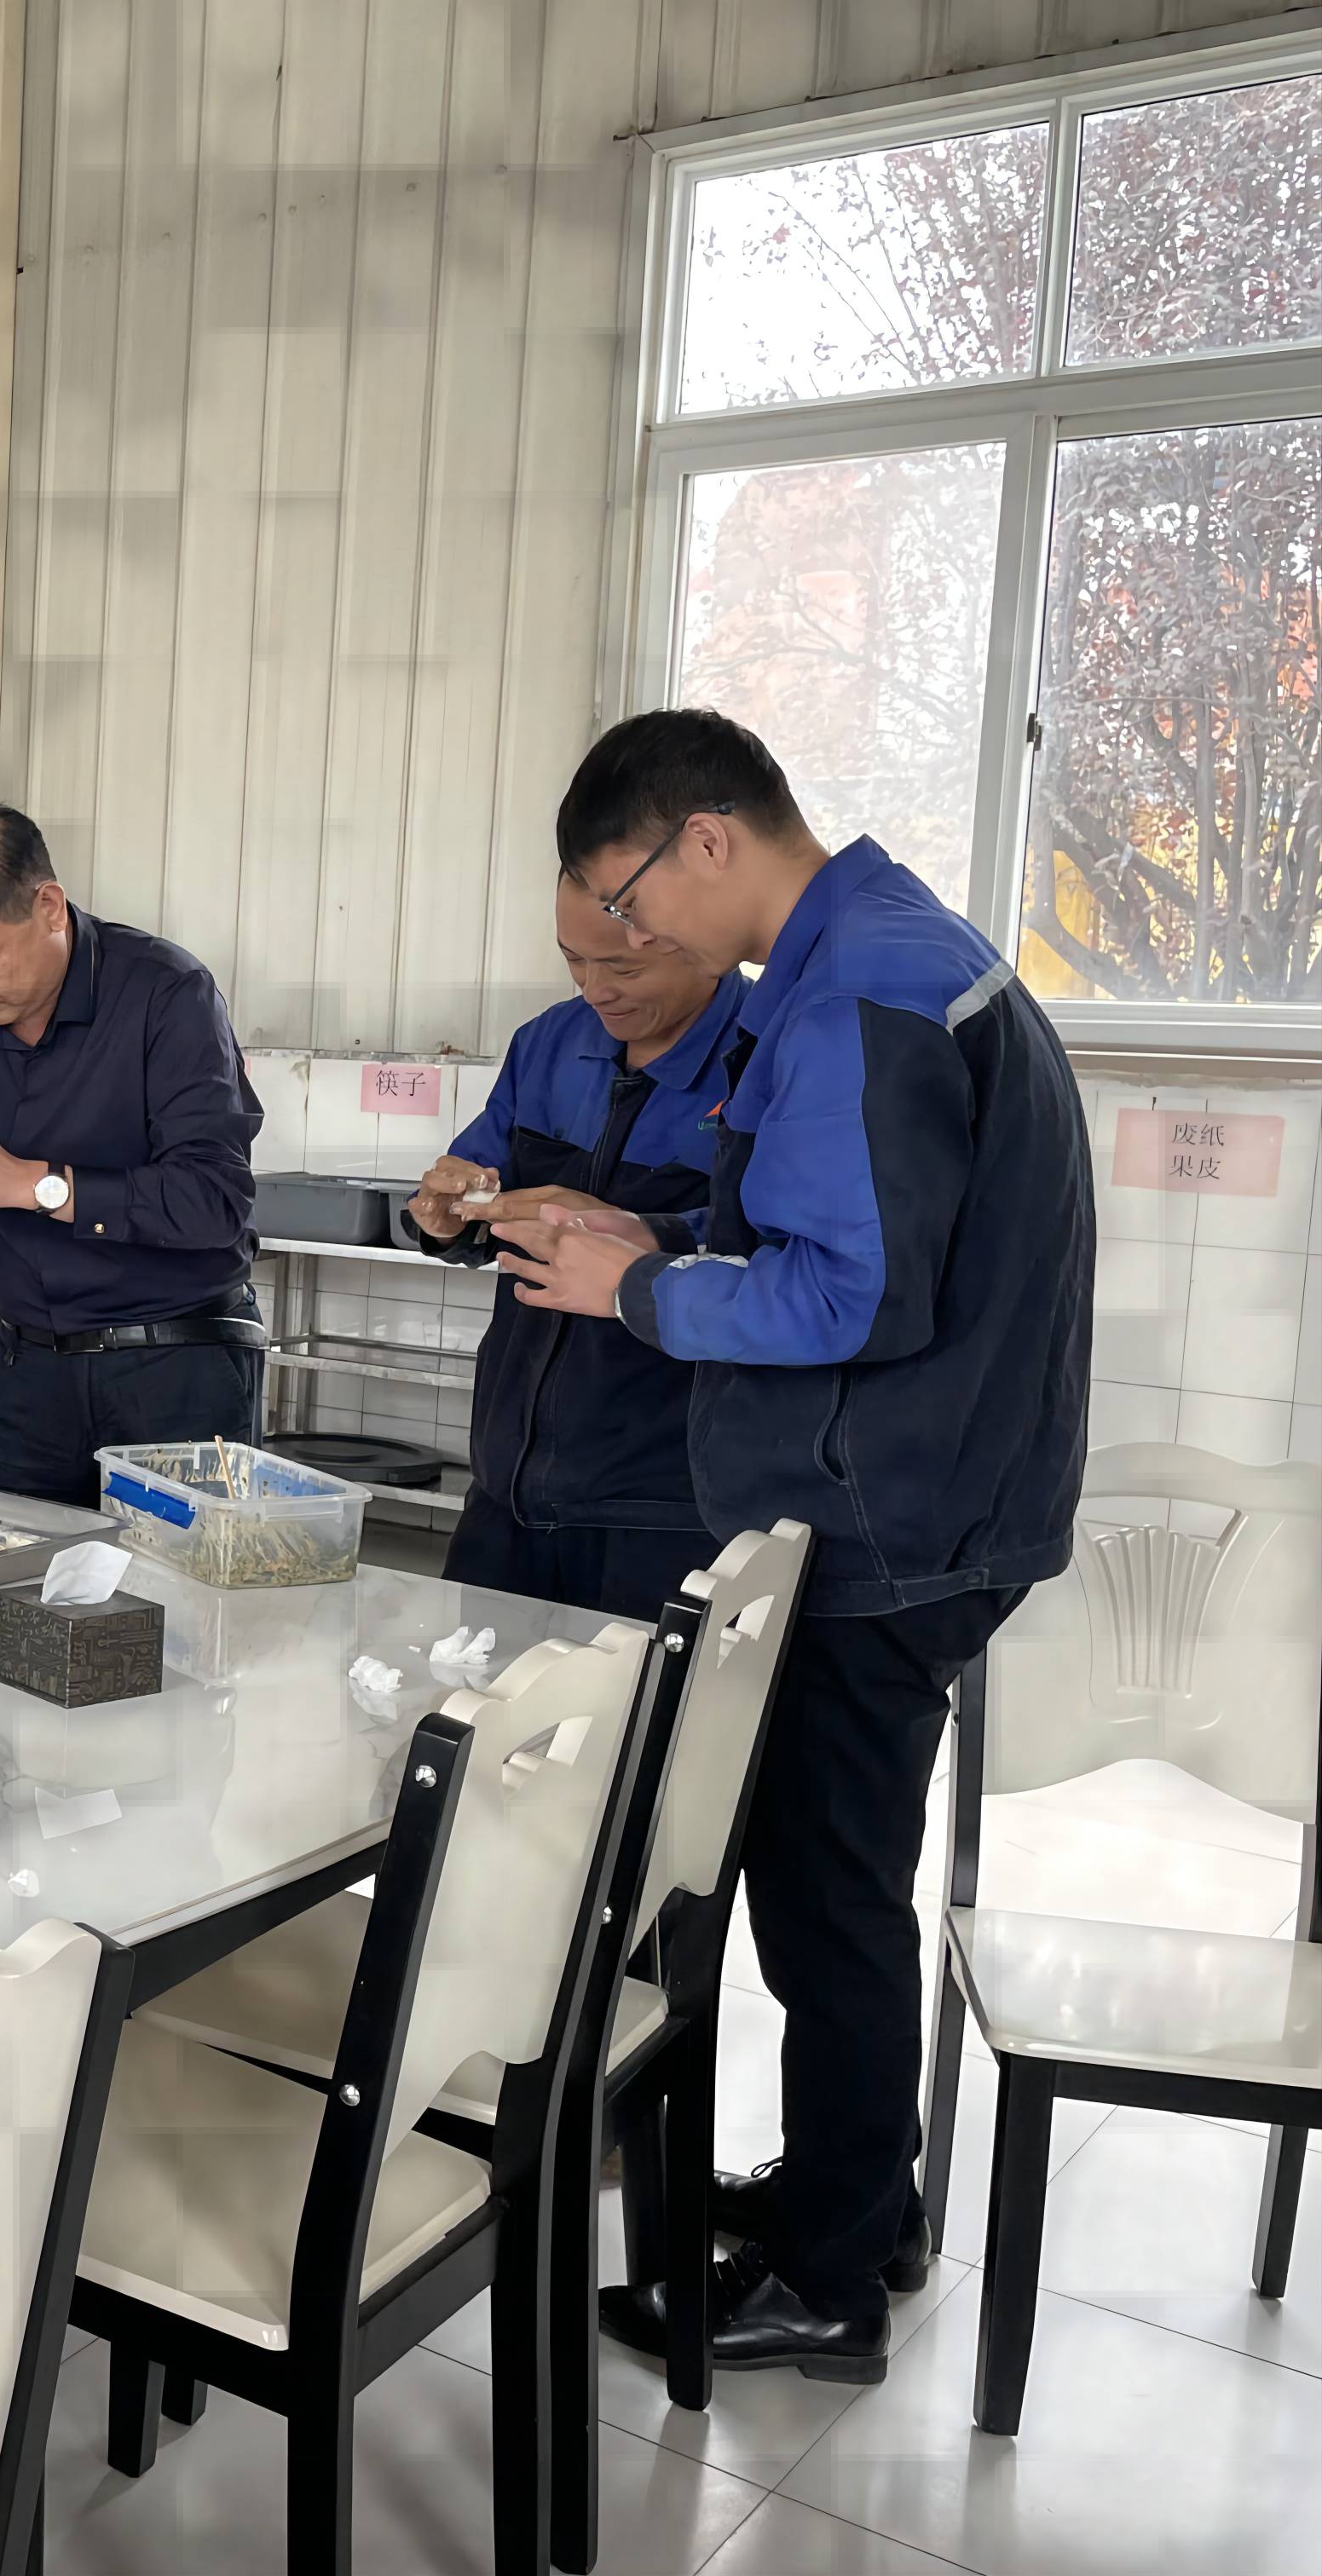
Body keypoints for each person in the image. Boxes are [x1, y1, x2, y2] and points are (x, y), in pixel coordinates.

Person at [494, 710, 1089, 2383]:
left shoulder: (850, 999)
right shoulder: (891, 953)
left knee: (824, 1900)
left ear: (703, 838)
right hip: (931, 1498)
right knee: (836, 1883)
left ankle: (830, 2279)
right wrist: (663, 1230)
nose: (630, 937)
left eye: (628, 898)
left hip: (881, 1521)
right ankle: (859, 2199)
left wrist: (635, 1285)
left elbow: (850, 1295)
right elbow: (851, 1223)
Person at [0, 805, 264, 1505]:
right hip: (27, 1375)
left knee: (171, 1575)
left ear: (47, 906)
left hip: (174, 1369)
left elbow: (213, 1201)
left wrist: (30, 1184)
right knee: (21, 1571)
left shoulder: (166, 994)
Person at [401, 873, 744, 1622]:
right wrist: (449, 1217)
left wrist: (644, 1233)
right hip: (508, 1488)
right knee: (473, 1690)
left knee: (636, 1700)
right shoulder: (548, 1044)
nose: (594, 990)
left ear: (704, 943)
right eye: (573, 960)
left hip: (669, 1508)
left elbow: (785, 1252)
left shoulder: (764, 1057)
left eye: (621, 966)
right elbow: (481, 1189)